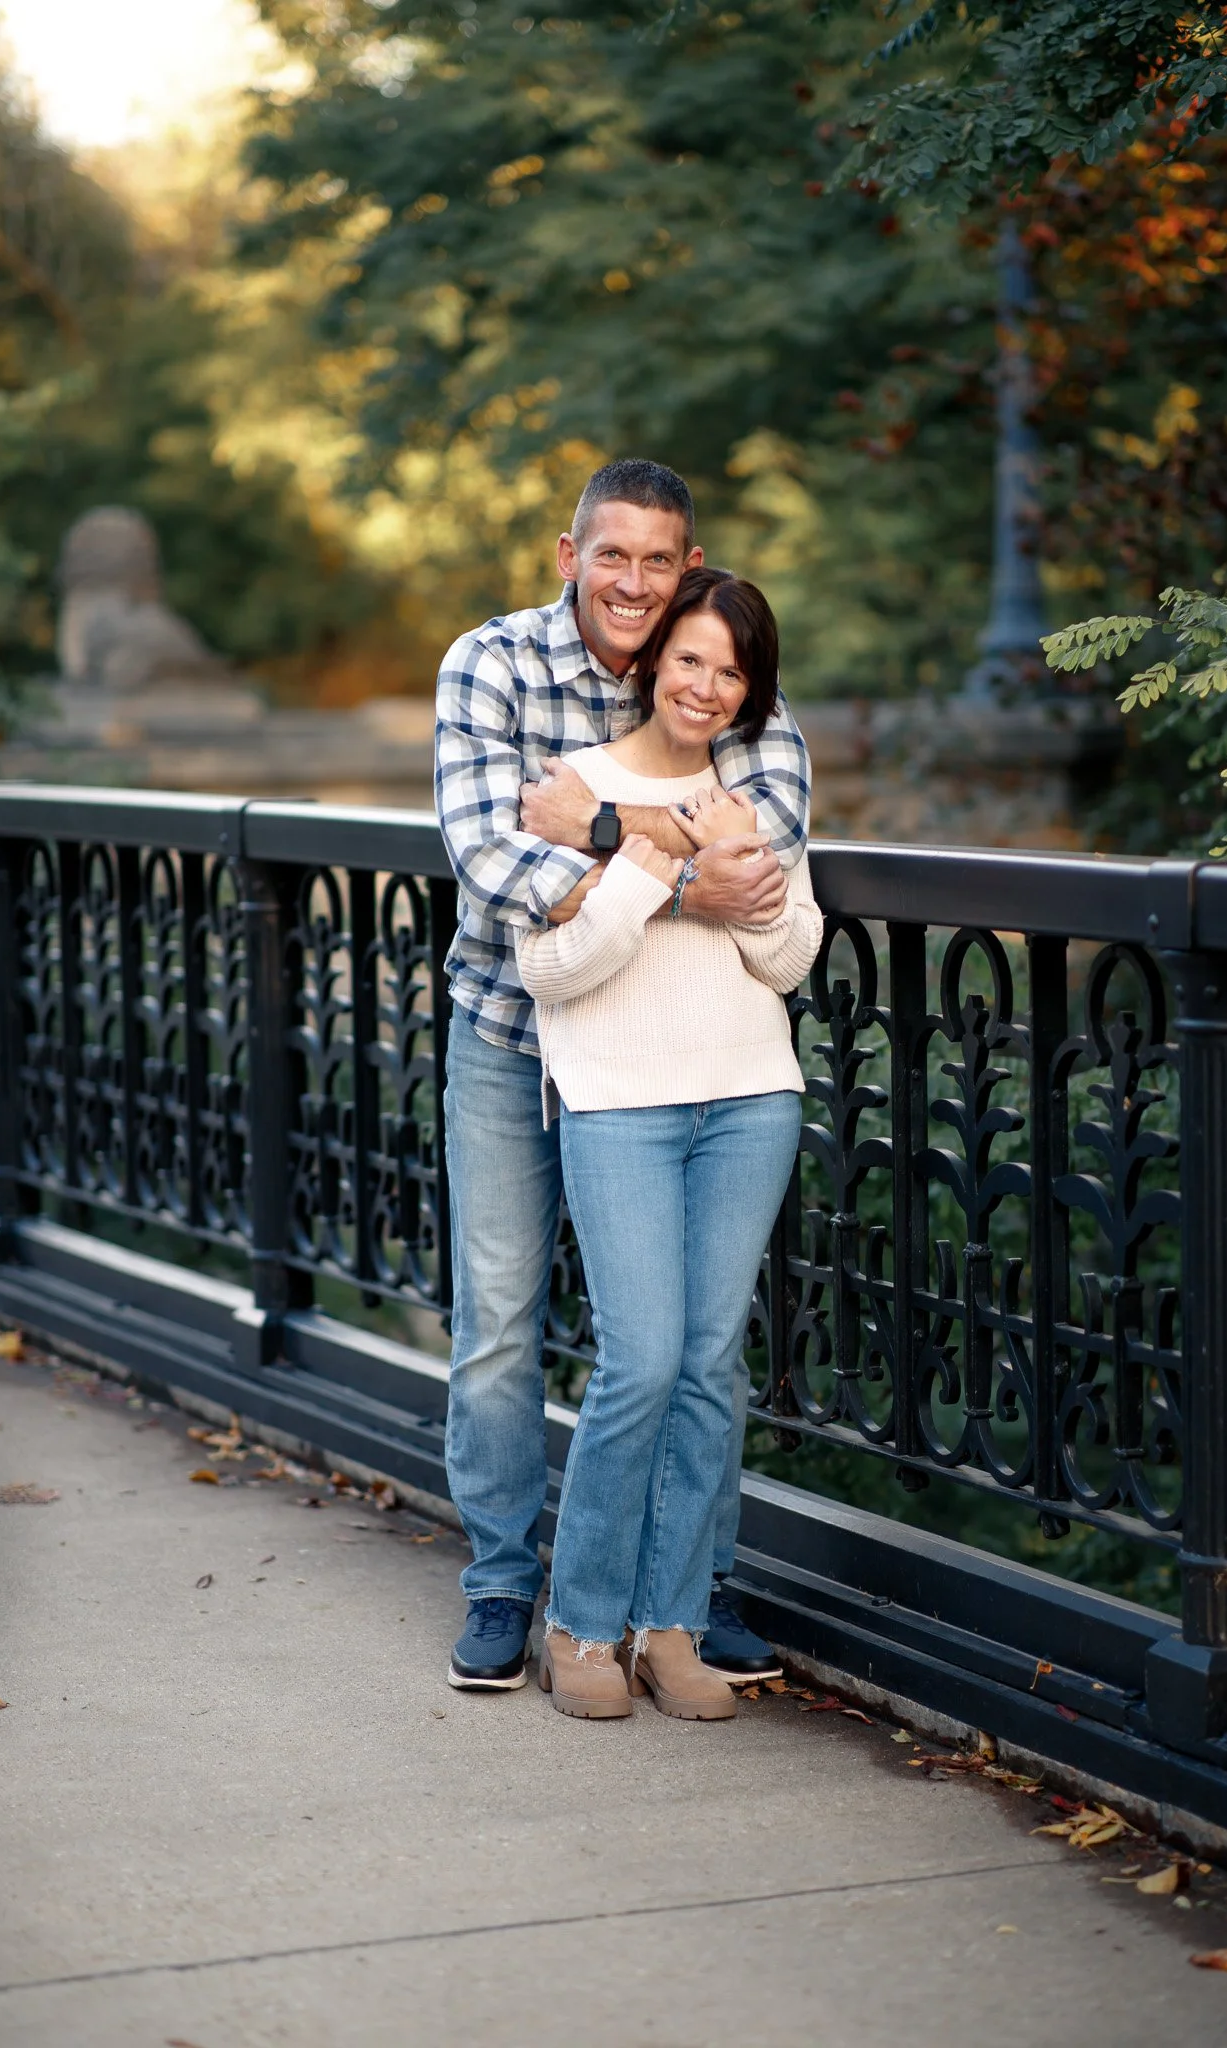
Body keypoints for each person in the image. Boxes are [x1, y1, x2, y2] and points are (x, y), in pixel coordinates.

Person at [435, 459, 813, 1691]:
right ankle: (504, 1584)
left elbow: (769, 865)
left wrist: (599, 826)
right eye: (614, 555)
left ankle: (685, 1596)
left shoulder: (723, 679)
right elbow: (493, 862)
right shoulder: (490, 663)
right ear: (569, 555)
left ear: (689, 566)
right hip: (511, 1035)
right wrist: (669, 850)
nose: (636, 581)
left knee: (693, 1346)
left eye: (661, 559)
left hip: (670, 1065)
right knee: (503, 1323)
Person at [515, 567, 822, 1719]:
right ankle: (582, 1624)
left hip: (749, 1097)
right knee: (639, 1360)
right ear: (653, 663)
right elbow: (547, 968)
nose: (705, 684)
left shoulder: (752, 795)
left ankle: (670, 1623)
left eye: (732, 670)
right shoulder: (571, 791)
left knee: (706, 1368)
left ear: (751, 693)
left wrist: (754, 883)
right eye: (689, 658)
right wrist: (647, 869)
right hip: (616, 1104)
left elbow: (789, 963)